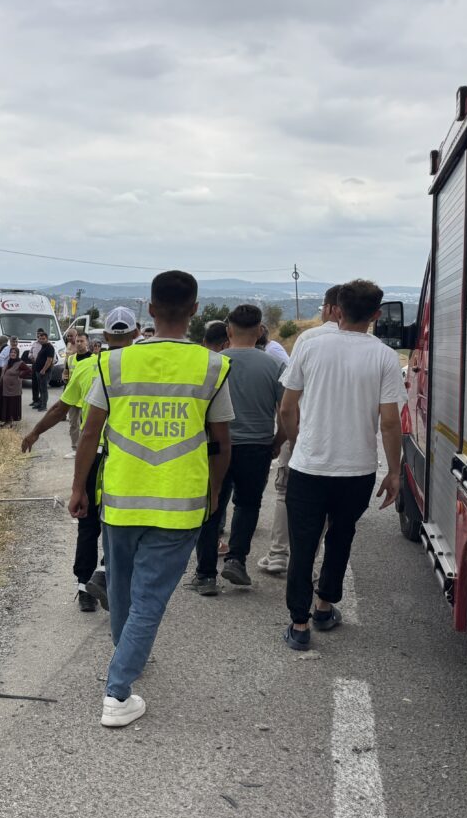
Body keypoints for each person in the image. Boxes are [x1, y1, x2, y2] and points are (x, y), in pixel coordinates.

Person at [70, 271, 232, 727]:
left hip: (121, 497)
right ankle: (117, 692)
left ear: (151, 310)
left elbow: (90, 431)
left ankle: (127, 654)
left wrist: (79, 487)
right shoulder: (212, 367)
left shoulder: (113, 364)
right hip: (180, 502)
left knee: (122, 591)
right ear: (196, 311)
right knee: (149, 600)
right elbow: (222, 442)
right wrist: (214, 490)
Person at [278, 280, 404, 650]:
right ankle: (324, 605)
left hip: (309, 466)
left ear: (337, 309)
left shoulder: (310, 345)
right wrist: (393, 471)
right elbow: (390, 422)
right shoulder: (383, 356)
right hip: (357, 469)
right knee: (340, 536)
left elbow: (287, 407)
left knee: (303, 545)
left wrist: (299, 442)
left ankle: (299, 625)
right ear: (376, 315)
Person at [23, 306, 139, 613]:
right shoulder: (142, 369)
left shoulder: (89, 368)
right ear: (136, 333)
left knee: (88, 524)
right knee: (121, 523)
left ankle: (84, 584)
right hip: (126, 460)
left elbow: (61, 409)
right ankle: (107, 575)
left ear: (105, 338)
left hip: (93, 456)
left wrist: (35, 432)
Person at [189, 304, 285, 596]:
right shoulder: (274, 366)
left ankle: (205, 574)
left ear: (228, 330)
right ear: (259, 331)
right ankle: (236, 560)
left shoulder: (212, 363)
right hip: (257, 445)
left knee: (211, 505)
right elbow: (287, 412)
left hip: (216, 446)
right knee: (248, 504)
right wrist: (277, 443)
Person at [257, 285, 338, 575]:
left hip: (304, 432)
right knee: (326, 507)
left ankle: (278, 553)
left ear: (329, 308)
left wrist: (287, 439)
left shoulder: (309, 339)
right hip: (340, 441)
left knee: (284, 493)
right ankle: (309, 563)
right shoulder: (366, 345)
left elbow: (288, 402)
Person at [0, 346, 25, 425]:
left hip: (13, 389)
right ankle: (6, 421)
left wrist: (20, 377)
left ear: (17, 354)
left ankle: (9, 421)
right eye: (11, 352)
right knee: (5, 403)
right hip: (5, 386)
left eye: (14, 353)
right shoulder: (8, 361)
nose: (13, 354)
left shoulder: (20, 363)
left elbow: (28, 370)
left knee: (10, 404)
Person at [30, 328, 55, 410]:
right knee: (40, 388)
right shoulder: (43, 346)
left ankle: (44, 406)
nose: (41, 340)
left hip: (45, 372)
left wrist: (43, 370)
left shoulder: (49, 347)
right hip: (38, 371)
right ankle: (40, 403)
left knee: (44, 389)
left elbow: (49, 360)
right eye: (40, 338)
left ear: (47, 339)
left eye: (43, 339)